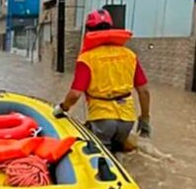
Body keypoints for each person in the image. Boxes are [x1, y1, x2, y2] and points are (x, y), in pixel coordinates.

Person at [53, 9, 151, 153]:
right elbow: (144, 91)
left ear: (88, 31)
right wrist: (145, 118)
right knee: (118, 155)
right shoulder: (129, 55)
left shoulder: (87, 58)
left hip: (101, 120)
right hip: (127, 120)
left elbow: (74, 95)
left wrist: (62, 108)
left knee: (100, 158)